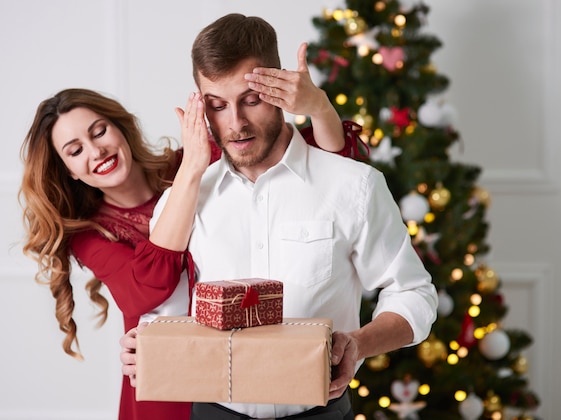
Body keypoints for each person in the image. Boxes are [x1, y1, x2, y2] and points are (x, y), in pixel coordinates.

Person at [120, 13, 438, 420]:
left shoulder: (353, 185)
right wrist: (144, 343)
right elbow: (167, 306)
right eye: (217, 106)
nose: (235, 124)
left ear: (280, 87)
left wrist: (358, 343)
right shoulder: (184, 199)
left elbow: (413, 294)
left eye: (251, 100)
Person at [18, 52, 364, 420]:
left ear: (120, 127)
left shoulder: (191, 159)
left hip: (247, 374)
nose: (96, 150)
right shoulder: (89, 234)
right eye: (75, 151)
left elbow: (326, 166)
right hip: (169, 383)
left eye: (99, 131)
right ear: (68, 170)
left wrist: (320, 107)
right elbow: (151, 287)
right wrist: (192, 171)